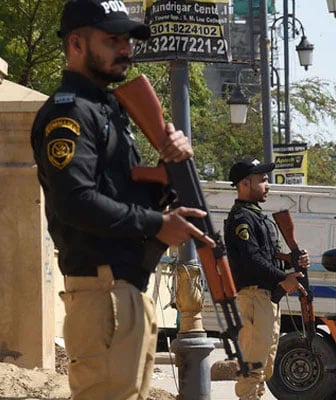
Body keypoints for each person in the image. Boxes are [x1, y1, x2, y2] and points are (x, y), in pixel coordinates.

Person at [30, 1, 215, 399]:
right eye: (112, 40)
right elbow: (75, 201)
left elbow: (123, 194)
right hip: (103, 297)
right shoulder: (71, 113)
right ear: (76, 44)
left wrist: (171, 172)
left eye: (127, 39)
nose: (126, 48)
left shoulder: (108, 110)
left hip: (123, 292)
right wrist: (157, 225)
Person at [225, 157, 310, 400]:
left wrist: (292, 261)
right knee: (252, 366)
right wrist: (284, 276)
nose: (267, 184)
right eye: (262, 180)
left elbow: (268, 257)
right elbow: (251, 259)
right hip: (253, 297)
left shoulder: (257, 216)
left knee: (265, 366)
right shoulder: (242, 218)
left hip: (265, 299)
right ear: (244, 184)